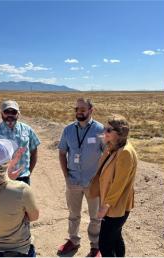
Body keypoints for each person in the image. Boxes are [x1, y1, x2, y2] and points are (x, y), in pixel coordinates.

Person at [57, 98, 104, 256]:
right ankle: (73, 240)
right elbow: (62, 153)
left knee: (96, 217)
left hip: (93, 182)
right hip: (73, 180)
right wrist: (66, 177)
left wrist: (101, 178)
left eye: (83, 109)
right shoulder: (68, 130)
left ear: (91, 110)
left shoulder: (100, 130)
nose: (79, 112)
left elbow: (107, 154)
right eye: (77, 109)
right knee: (73, 214)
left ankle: (96, 246)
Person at [89, 114, 138, 257]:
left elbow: (118, 184)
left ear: (120, 133)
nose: (105, 132)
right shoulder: (114, 148)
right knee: (116, 238)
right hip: (113, 205)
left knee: (105, 244)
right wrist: (107, 143)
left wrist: (105, 206)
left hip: (116, 206)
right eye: (105, 128)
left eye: (109, 130)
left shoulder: (125, 153)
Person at [0, 100, 41, 185]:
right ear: (1, 113)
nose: (10, 115)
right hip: (1, 178)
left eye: (13, 112)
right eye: (6, 111)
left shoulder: (27, 129)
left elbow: (34, 151)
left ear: (18, 114)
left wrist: (29, 172)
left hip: (23, 177)